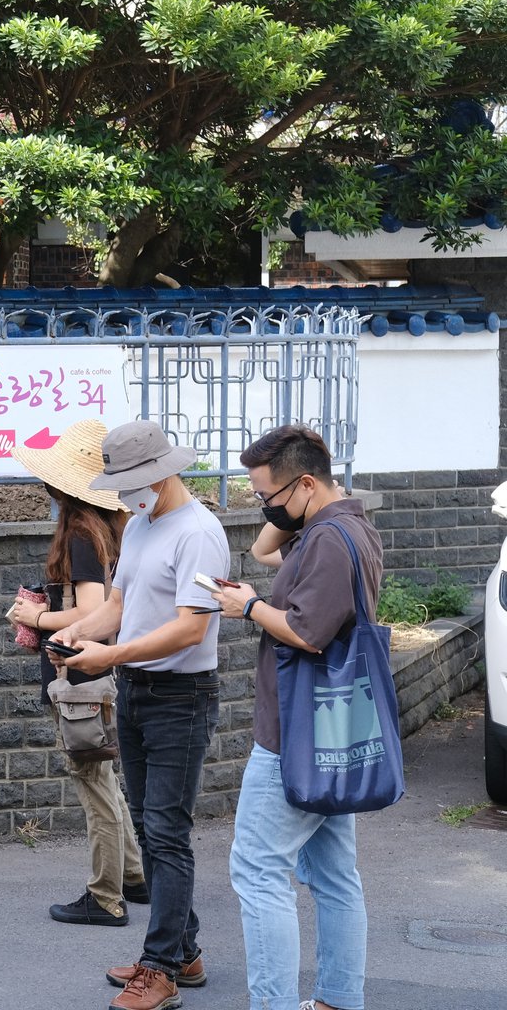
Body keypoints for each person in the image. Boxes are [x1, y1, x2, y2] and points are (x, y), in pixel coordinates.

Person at [52, 419, 231, 1010]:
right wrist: (79, 632)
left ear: (163, 472)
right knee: (149, 827)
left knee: (166, 833)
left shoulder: (199, 531)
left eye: (134, 481)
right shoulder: (142, 527)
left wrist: (113, 653)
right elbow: (123, 605)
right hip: (136, 693)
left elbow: (190, 627)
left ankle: (160, 970)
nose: (126, 494)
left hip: (181, 697)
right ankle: (181, 949)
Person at [210, 425, 380, 1010]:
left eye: (268, 496)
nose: (265, 507)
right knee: (333, 876)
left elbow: (307, 633)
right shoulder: (343, 529)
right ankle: (336, 999)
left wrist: (251, 606)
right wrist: (281, 509)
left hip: (296, 735)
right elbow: (264, 549)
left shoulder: (330, 541)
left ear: (308, 484)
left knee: (258, 873)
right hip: (329, 729)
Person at [4, 420, 146, 927]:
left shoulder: (82, 531)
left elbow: (92, 608)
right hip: (93, 671)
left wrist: (34, 618)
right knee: (104, 775)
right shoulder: (112, 523)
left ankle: (106, 897)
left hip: (78, 673)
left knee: (94, 783)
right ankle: (134, 877)